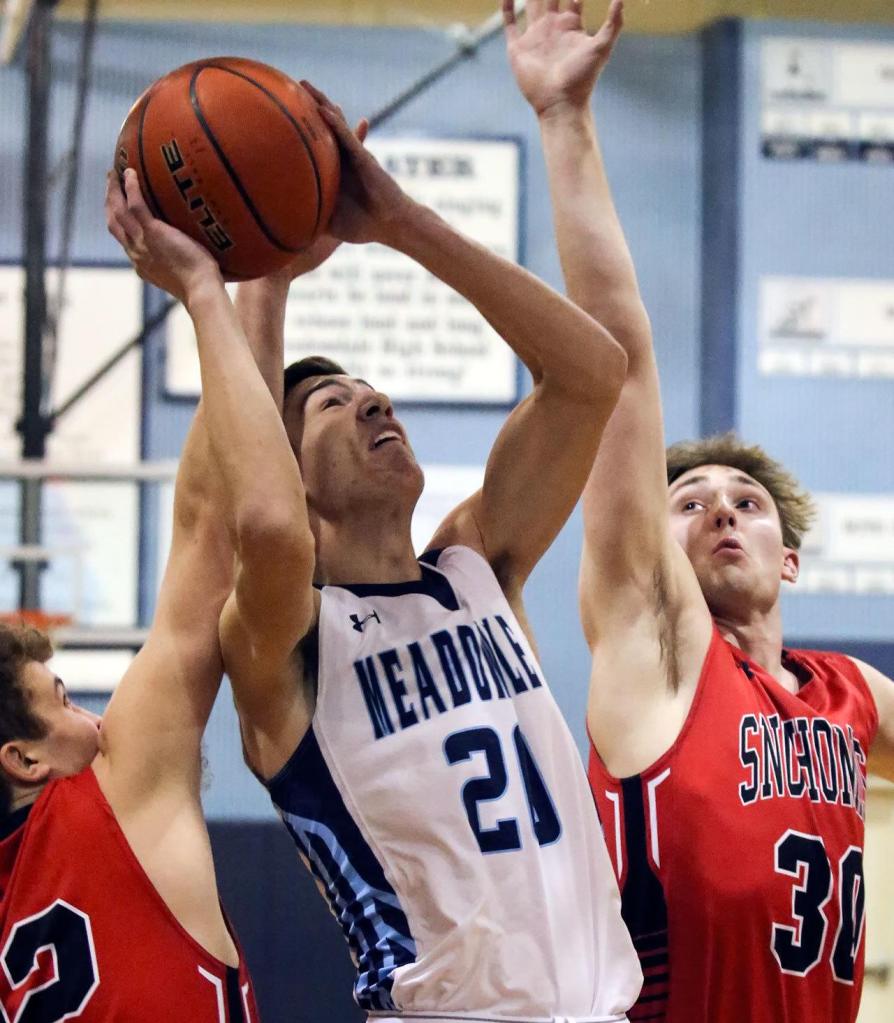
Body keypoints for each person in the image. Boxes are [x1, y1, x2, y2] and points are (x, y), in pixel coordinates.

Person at [216, 83, 642, 1022]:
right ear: (284, 468)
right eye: (331, 405)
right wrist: (268, 276)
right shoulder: (286, 635)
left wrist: (403, 224)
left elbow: (592, 374)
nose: (374, 403)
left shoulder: (475, 563)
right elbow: (263, 515)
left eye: (375, 391)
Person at [504, 1, 894, 1021]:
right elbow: (619, 367)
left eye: (748, 503)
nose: (720, 512)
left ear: (792, 560)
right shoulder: (661, 644)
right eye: (687, 501)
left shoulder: (846, 694)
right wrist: (565, 122)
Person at [0, 166, 305, 1021]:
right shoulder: (110, 787)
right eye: (61, 704)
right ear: (23, 760)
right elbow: (215, 526)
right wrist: (248, 283)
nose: (96, 719)